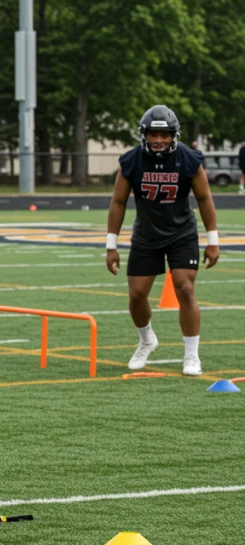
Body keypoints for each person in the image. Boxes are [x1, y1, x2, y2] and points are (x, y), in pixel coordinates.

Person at [106, 105, 219, 376]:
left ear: (174, 135)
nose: (159, 140)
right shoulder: (131, 161)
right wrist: (111, 245)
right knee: (136, 295)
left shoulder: (189, 159)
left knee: (186, 289)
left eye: (165, 134)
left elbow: (204, 199)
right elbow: (118, 202)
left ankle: (191, 355)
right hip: (146, 235)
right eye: (154, 134)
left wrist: (212, 240)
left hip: (181, 233)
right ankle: (147, 341)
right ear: (144, 135)